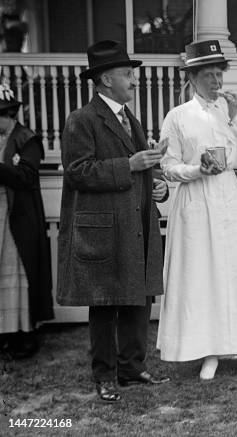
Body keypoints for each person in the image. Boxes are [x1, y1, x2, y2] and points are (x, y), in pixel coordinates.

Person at [57, 40, 170, 402]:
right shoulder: (82, 120)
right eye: (127, 74)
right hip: (105, 231)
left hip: (136, 224)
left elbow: (138, 169)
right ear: (106, 79)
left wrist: (156, 187)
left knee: (139, 299)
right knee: (105, 304)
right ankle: (104, 375)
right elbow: (77, 172)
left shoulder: (129, 119)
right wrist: (131, 165)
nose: (134, 81)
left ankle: (132, 367)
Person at [156, 40, 237, 380]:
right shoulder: (177, 117)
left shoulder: (230, 112)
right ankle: (209, 352)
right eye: (209, 75)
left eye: (219, 74)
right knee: (201, 274)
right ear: (193, 77)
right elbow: (168, 165)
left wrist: (236, 117)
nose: (217, 83)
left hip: (229, 198)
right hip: (195, 201)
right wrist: (197, 171)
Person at [0, 81, 53, 359]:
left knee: (19, 273)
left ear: (9, 114)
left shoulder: (26, 139)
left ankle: (24, 332)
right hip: (0, 212)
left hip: (18, 216)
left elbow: (27, 177)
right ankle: (5, 334)